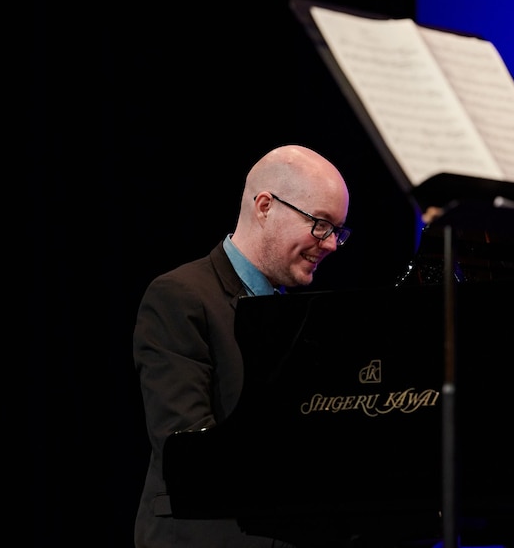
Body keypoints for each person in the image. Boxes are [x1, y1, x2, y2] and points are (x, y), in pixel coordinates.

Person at [133, 144, 351, 548]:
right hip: (204, 533)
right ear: (265, 206)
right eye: (320, 224)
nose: (332, 244)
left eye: (338, 230)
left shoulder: (301, 314)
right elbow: (187, 449)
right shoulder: (180, 297)